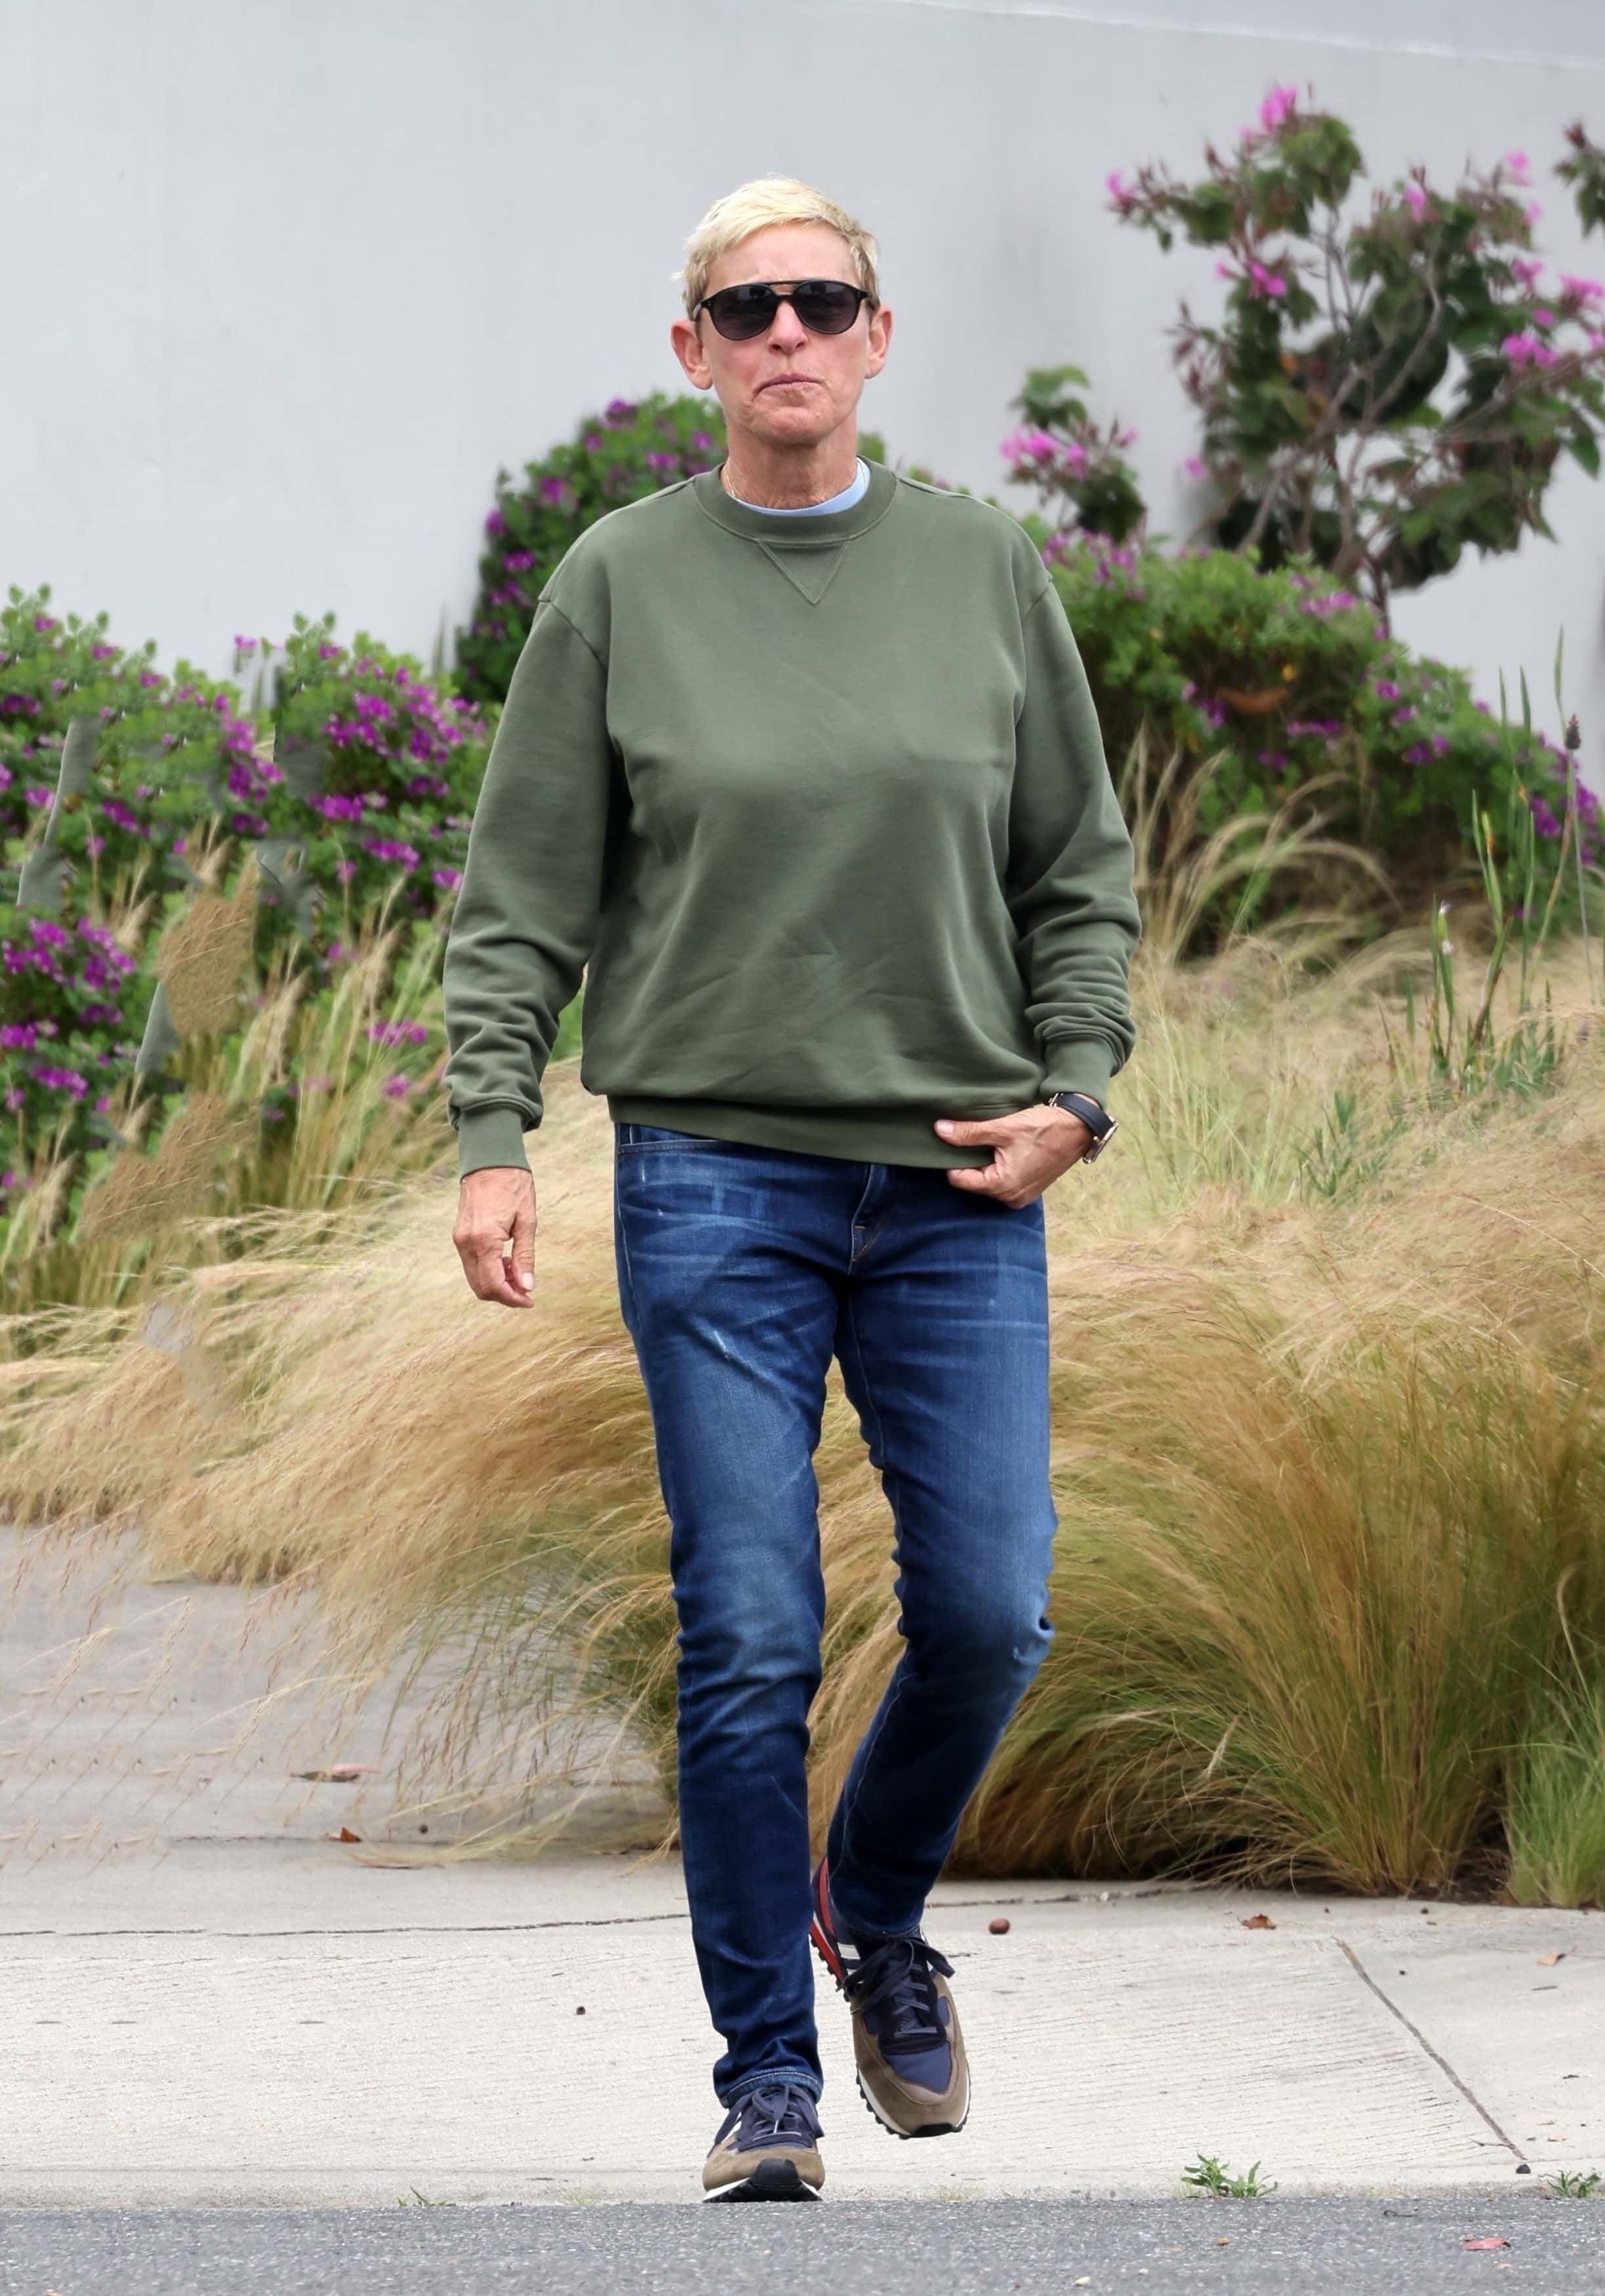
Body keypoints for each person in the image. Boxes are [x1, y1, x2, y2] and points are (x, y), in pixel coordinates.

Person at [442, 175, 1142, 2203]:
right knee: (749, 1628)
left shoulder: (989, 575)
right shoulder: (620, 583)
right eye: (745, 309)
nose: (787, 335)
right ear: (694, 353)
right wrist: (494, 1134)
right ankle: (767, 2074)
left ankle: (878, 1901)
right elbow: (519, 898)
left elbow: (1076, 875)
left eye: (822, 300)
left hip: (954, 1182)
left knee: (996, 1606)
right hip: (713, 1177)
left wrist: (1076, 1096)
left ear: (878, 333)